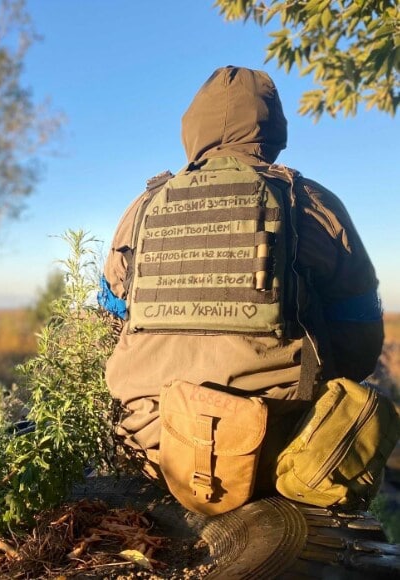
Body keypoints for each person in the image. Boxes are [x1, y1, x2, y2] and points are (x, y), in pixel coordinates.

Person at [98, 66, 384, 497]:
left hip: (151, 447)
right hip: (274, 451)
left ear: (192, 128)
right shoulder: (310, 202)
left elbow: (111, 311)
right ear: (273, 130)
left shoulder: (142, 208)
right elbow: (360, 335)